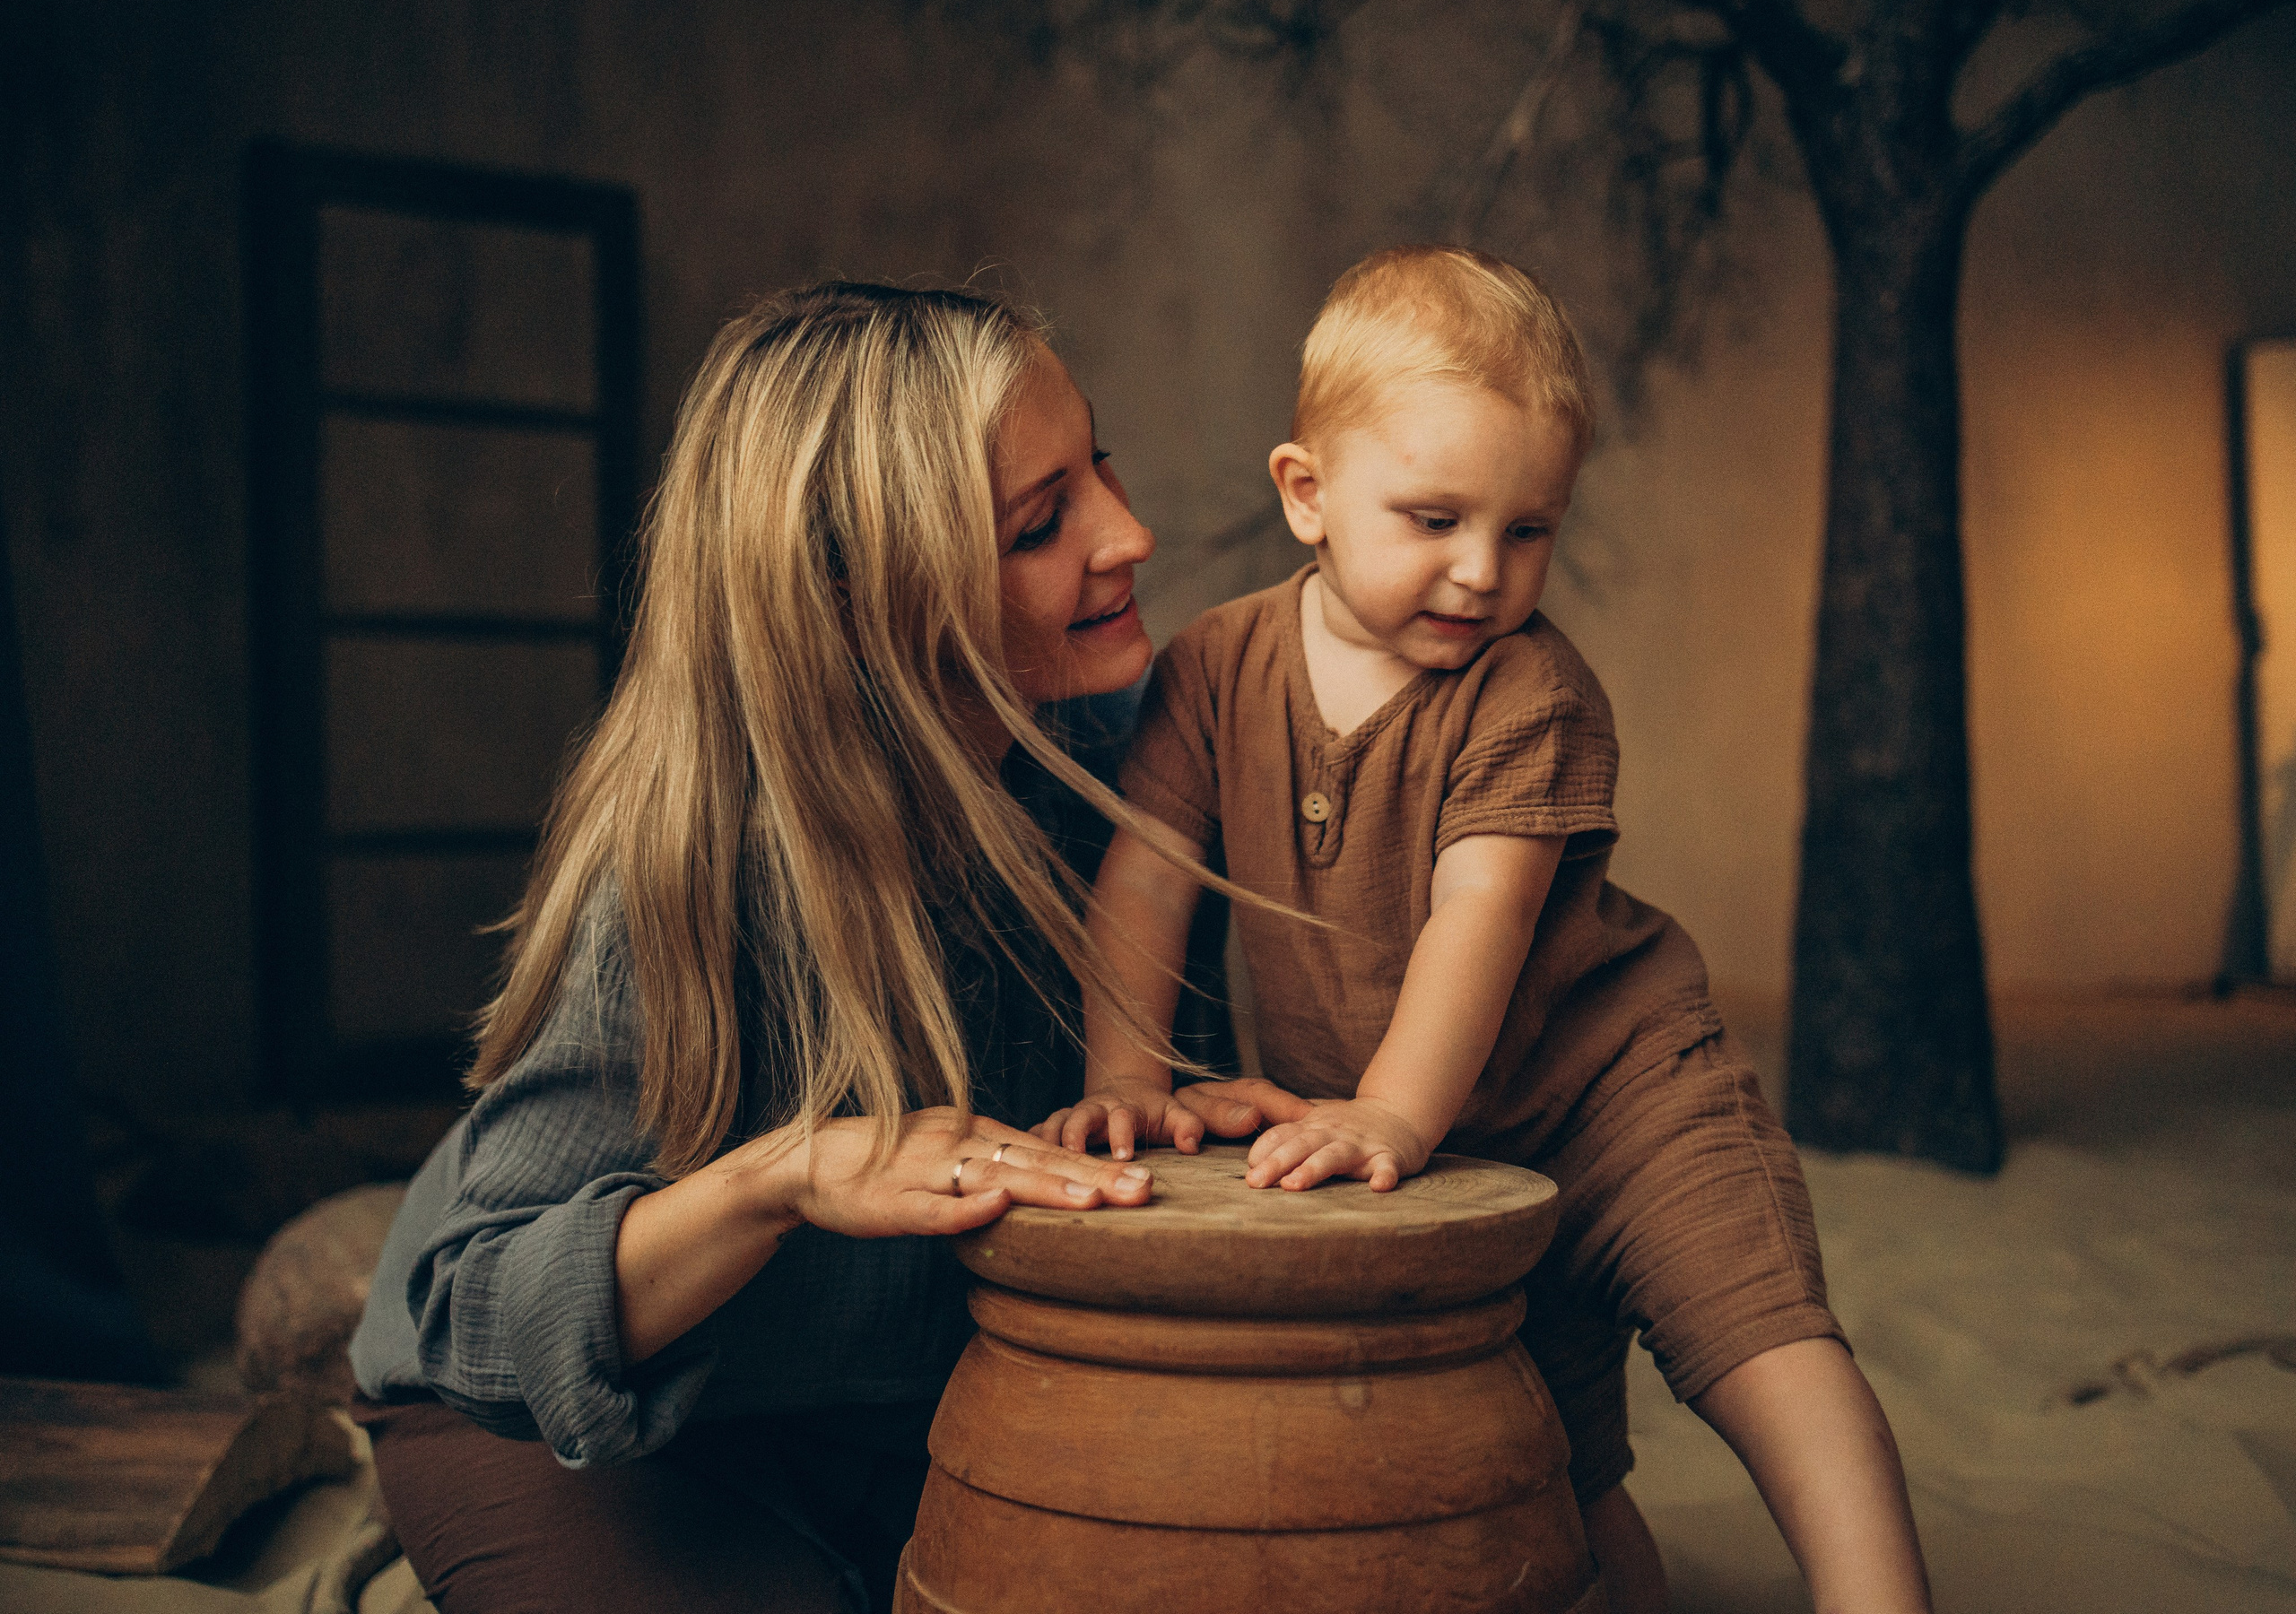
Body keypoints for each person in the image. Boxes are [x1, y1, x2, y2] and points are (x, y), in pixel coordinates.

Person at [346, 282, 1299, 1614]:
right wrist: (779, 1179)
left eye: (1101, 465)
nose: (1130, 534)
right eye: (1043, 521)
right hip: (599, 1434)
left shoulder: (1135, 759)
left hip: (933, 1403)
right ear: (863, 597)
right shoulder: (686, 864)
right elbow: (478, 1314)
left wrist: (1191, 1124)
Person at [1036, 245, 1935, 1614]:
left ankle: (1879, 1596)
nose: (1481, 572)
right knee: (1554, 1463)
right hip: (1452, 1142)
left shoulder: (1531, 695)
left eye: (1529, 530)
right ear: (1307, 494)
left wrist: (1390, 1114)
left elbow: (1482, 910)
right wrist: (1125, 1076)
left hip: (1618, 1092)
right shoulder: (1217, 669)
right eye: (1436, 517)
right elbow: (1149, 877)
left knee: (1756, 1339)